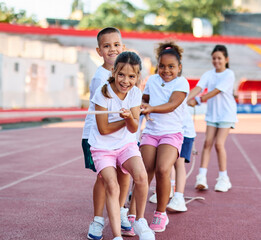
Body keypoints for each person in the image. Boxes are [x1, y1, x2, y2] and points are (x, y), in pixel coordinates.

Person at [88, 51, 155, 240]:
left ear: (137, 77)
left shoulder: (134, 92)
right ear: (114, 72)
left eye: (131, 76)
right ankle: (117, 236)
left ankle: (140, 221)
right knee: (112, 184)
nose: (126, 81)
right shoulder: (103, 92)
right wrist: (125, 119)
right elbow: (103, 129)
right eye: (121, 75)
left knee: (141, 176)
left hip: (126, 144)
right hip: (103, 147)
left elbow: (134, 128)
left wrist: (130, 119)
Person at [81, 27, 133, 240]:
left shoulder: (127, 74)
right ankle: (97, 220)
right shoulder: (100, 77)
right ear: (98, 51)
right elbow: (103, 119)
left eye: (116, 45)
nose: (112, 49)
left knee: (125, 174)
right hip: (100, 135)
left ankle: (120, 211)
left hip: (122, 135)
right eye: (106, 46)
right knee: (103, 178)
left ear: (123, 47)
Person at [139, 41, 190, 232]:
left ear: (179, 67)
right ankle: (136, 214)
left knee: (162, 170)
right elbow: (145, 99)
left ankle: (160, 214)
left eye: (171, 66)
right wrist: (136, 101)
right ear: (157, 65)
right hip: (151, 132)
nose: (166, 70)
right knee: (144, 171)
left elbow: (172, 104)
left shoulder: (181, 83)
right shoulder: (152, 80)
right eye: (162, 66)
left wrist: (151, 108)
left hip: (171, 133)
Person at [187, 44, 237, 192]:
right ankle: (201, 177)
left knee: (219, 144)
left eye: (219, 58)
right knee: (207, 143)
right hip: (213, 114)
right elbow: (198, 88)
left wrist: (196, 100)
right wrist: (185, 100)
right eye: (214, 58)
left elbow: (215, 91)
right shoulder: (208, 74)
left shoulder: (229, 74)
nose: (216, 61)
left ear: (226, 59)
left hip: (226, 113)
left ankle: (223, 178)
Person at [166, 104, 196, 212]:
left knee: (179, 162)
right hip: (167, 131)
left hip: (183, 131)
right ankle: (169, 189)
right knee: (166, 161)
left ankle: (179, 197)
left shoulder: (178, 88)